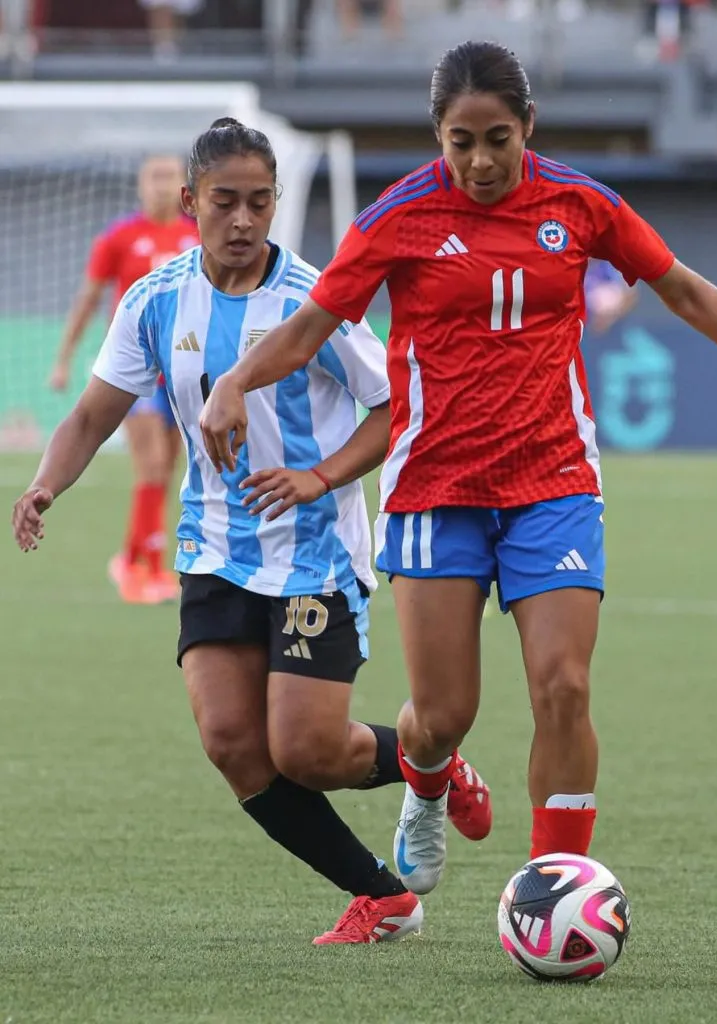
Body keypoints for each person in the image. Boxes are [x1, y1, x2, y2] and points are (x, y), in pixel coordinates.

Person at [196, 42, 717, 897]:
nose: (481, 160)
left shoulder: (580, 202)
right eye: (461, 141)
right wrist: (234, 381)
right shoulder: (397, 216)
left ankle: (556, 884)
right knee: (442, 717)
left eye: (497, 137)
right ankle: (426, 785)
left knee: (562, 685)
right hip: (433, 488)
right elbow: (311, 326)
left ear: (528, 127)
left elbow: (678, 286)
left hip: (553, 480)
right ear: (437, 136)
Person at [13, 117, 492, 944]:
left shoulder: (319, 301)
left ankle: (433, 766)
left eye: (260, 202)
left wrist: (320, 476)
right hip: (214, 550)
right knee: (233, 742)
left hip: (313, 553)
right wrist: (45, 482)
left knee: (304, 750)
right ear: (191, 201)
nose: (243, 220)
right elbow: (95, 412)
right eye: (225, 201)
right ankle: (386, 900)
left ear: (277, 205)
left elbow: (395, 408)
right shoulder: (156, 298)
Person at [49, 155, 198, 604]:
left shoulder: (197, 234)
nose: (161, 185)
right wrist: (63, 360)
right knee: (150, 465)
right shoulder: (119, 237)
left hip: (183, 366)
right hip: (136, 369)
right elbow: (88, 298)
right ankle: (147, 570)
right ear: (139, 186)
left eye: (169, 176)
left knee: (168, 469)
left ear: (182, 186)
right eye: (153, 176)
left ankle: (131, 557)